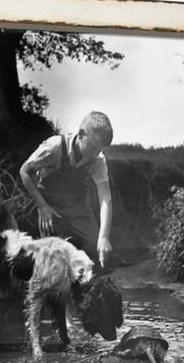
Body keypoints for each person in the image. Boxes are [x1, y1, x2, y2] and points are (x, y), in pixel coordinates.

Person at [20, 110, 114, 270]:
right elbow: (24, 172)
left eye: (99, 150)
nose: (95, 154)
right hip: (51, 205)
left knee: (93, 245)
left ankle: (81, 277)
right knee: (52, 254)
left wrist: (104, 237)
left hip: (78, 205)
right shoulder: (54, 147)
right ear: (81, 134)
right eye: (92, 147)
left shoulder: (98, 160)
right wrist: (42, 206)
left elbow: (105, 199)